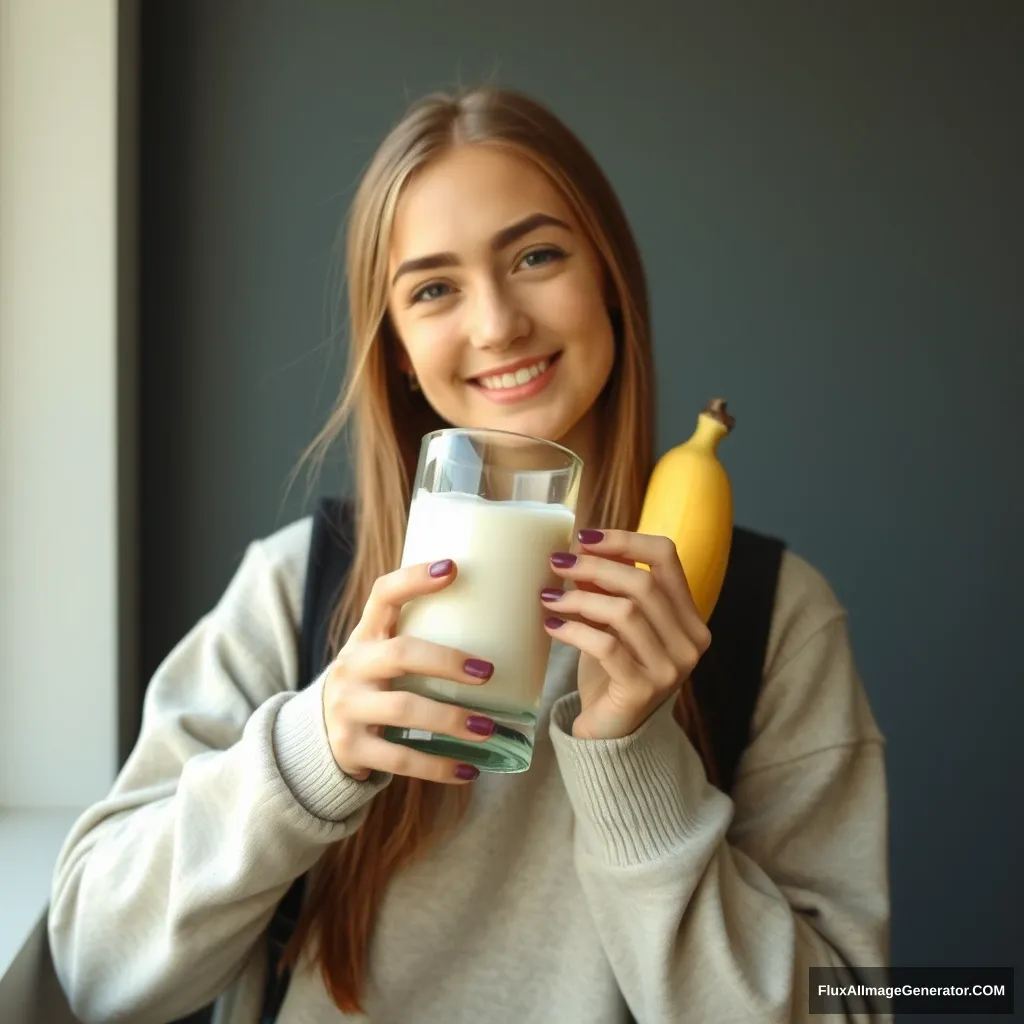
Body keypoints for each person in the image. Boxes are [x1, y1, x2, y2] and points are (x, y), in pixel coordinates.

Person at [48, 86, 890, 1023]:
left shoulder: (768, 619)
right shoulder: (298, 588)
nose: (496, 324)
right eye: (435, 288)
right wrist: (311, 750)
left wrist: (633, 761)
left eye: (535, 256)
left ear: (607, 276)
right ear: (401, 349)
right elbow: (95, 969)